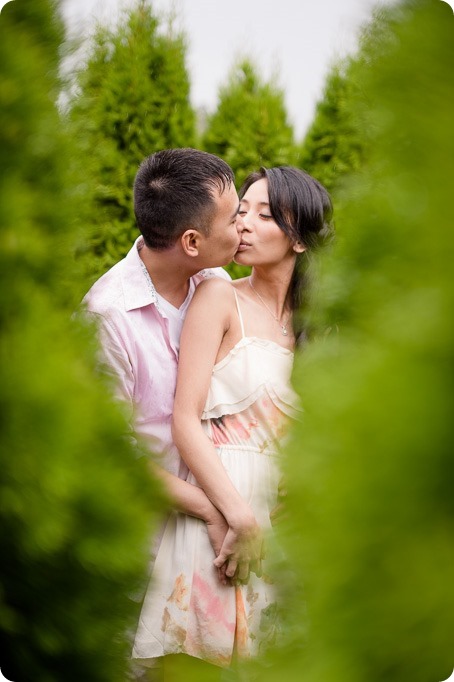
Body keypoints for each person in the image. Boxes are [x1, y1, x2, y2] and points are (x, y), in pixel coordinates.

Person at [132, 166, 333, 674]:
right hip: (220, 516)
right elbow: (184, 420)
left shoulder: (319, 327)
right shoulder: (219, 296)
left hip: (284, 531)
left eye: (264, 215)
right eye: (241, 209)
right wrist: (236, 515)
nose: (244, 222)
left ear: (301, 241)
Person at [82, 148, 244, 575]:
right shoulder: (107, 317)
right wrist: (210, 510)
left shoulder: (214, 281)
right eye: (233, 219)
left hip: (213, 543)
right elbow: (111, 455)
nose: (242, 226)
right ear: (191, 241)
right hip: (141, 550)